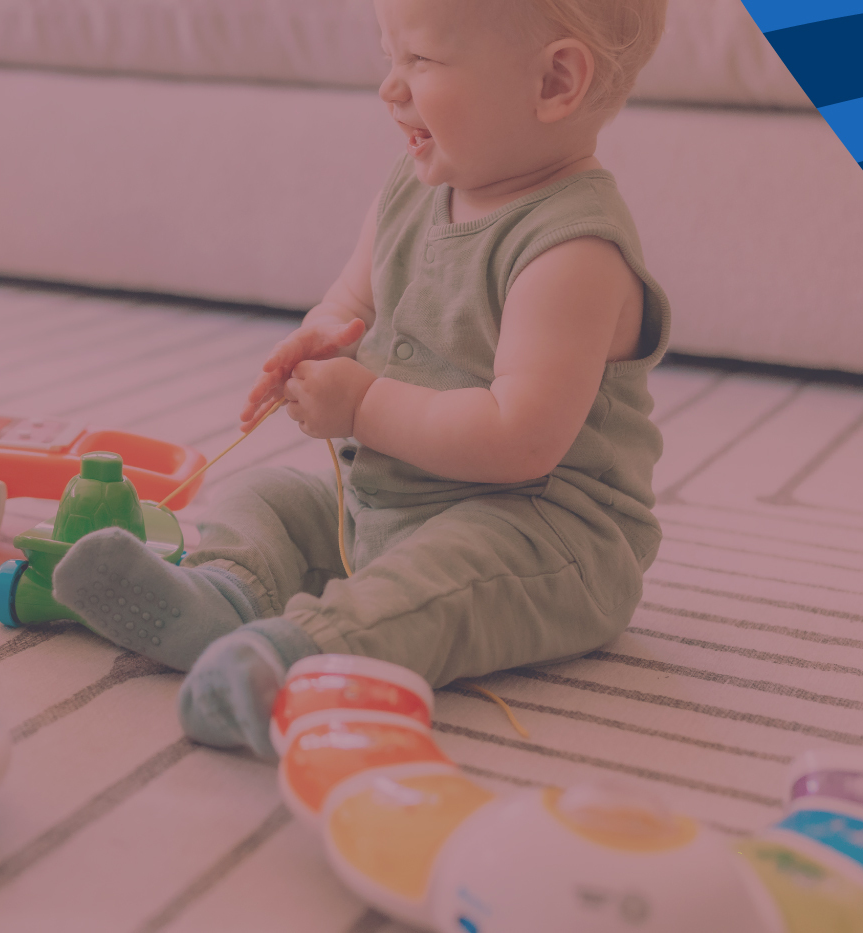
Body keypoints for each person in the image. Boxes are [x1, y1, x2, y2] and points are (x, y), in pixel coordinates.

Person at [50, 0, 673, 759]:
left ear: (555, 81)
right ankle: (225, 595)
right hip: (391, 498)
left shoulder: (571, 251)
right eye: (389, 56)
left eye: (421, 61)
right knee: (267, 495)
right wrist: (317, 347)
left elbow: (519, 439)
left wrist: (366, 403)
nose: (390, 87)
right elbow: (348, 304)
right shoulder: (412, 189)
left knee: (436, 584)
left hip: (541, 531)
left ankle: (297, 660)